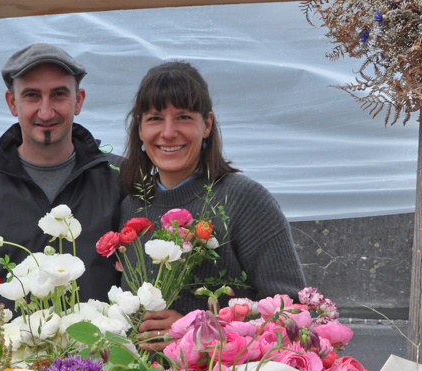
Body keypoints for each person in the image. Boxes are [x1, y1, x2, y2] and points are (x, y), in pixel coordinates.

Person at [119, 61, 306, 351]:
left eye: (183, 117)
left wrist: (198, 332)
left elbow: (292, 313)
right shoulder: (131, 207)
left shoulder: (246, 201)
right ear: (140, 129)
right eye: (155, 118)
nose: (168, 133)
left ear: (206, 125)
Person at [0, 44, 122, 317]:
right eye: (32, 96)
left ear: (78, 101)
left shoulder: (120, 181)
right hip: (8, 358)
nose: (46, 112)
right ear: (13, 103)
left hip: (99, 357)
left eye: (59, 95)